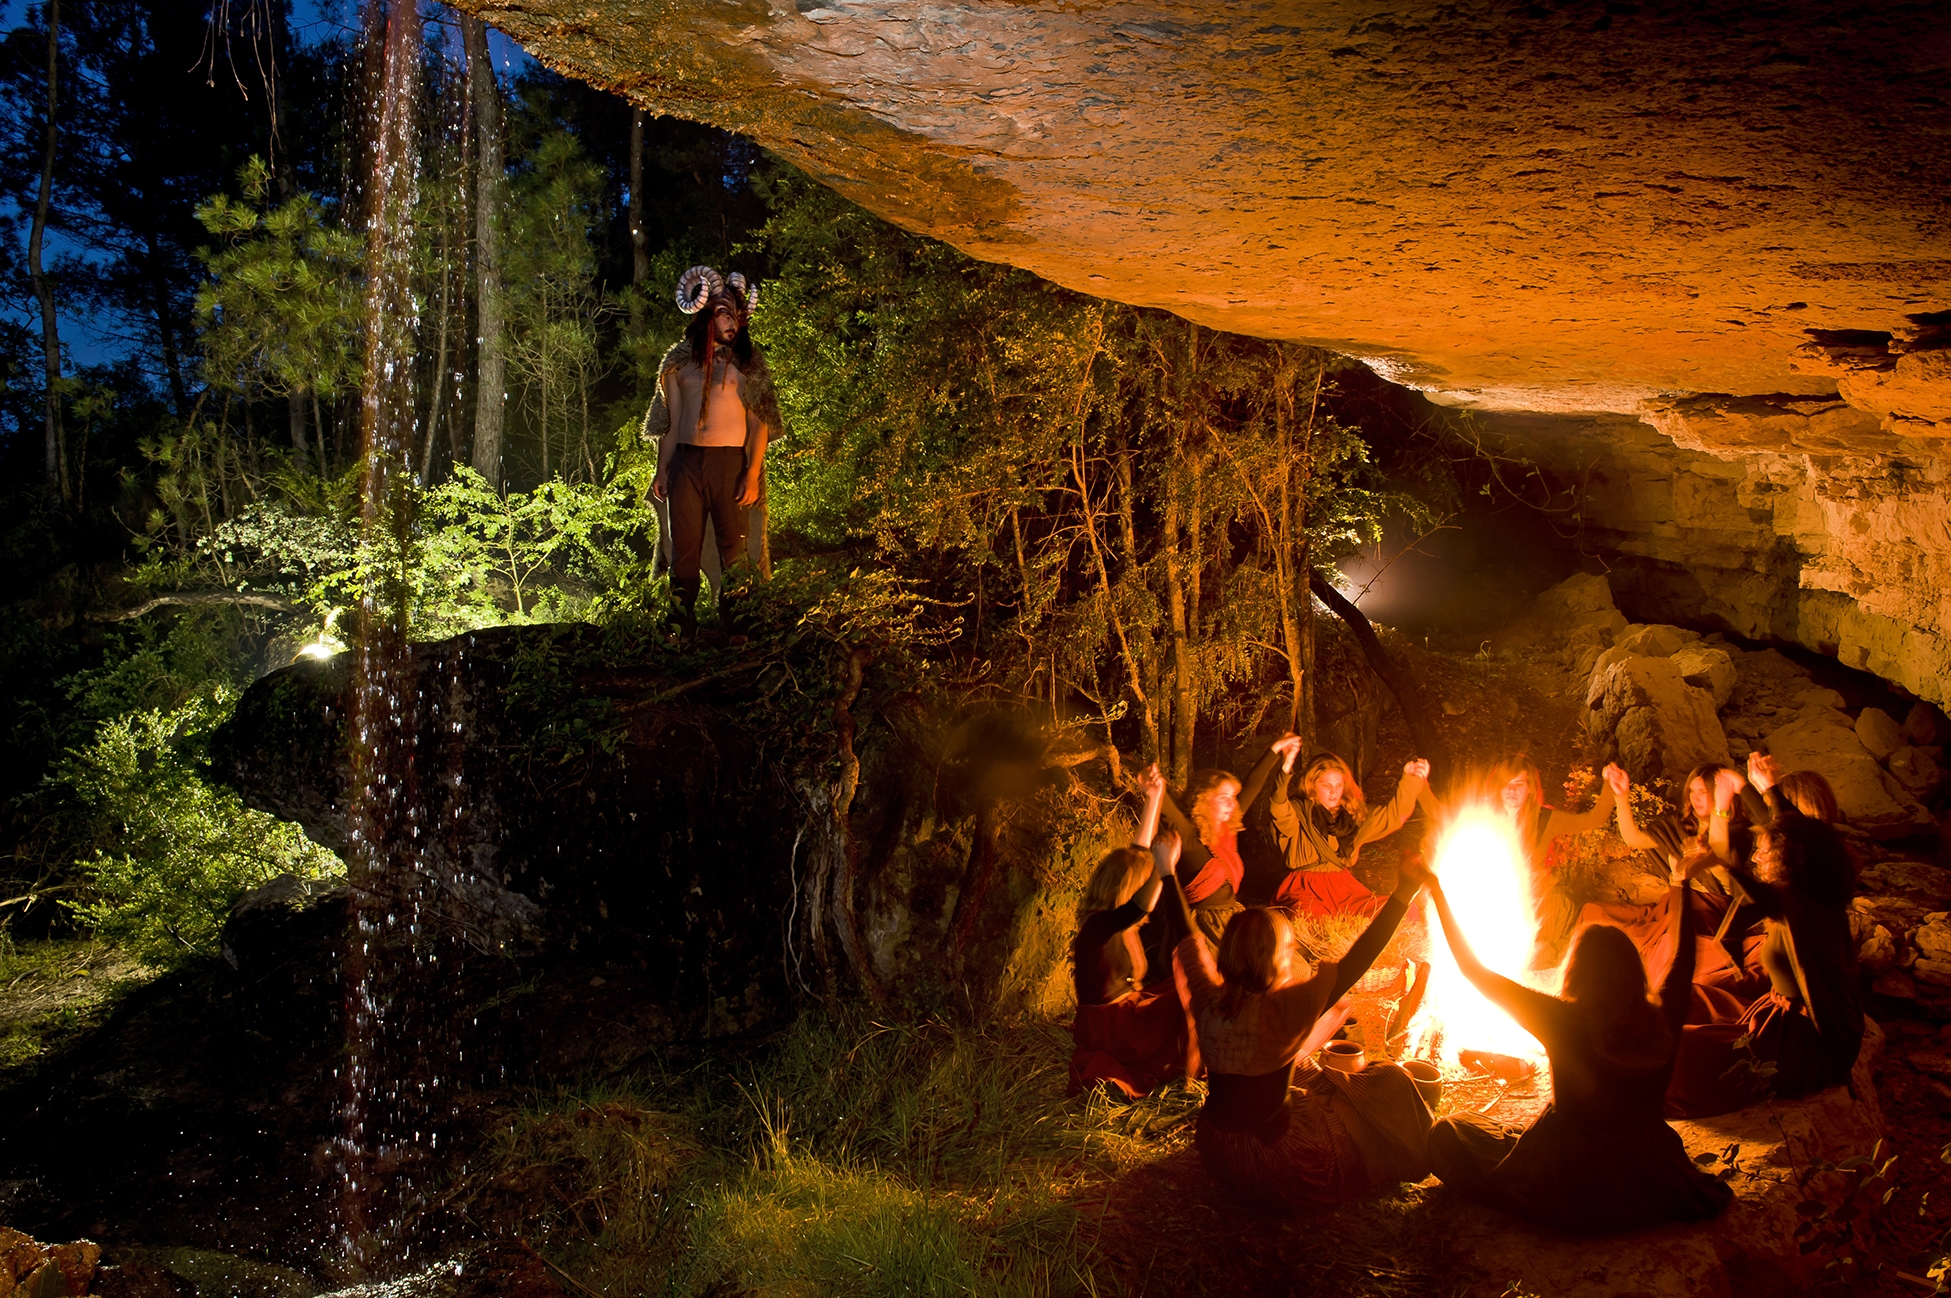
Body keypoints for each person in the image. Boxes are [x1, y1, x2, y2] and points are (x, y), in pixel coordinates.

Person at [1422, 852, 1734, 1232]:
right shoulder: (1663, 1017)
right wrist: (1680, 883)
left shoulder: (1564, 1021)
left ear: (1576, 972)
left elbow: (1475, 971)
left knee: (1449, 1132)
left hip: (1571, 1173)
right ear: (1633, 971)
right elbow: (1683, 956)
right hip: (1647, 1166)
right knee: (1503, 1134)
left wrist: (1436, 891)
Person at [1171, 860, 1436, 1209]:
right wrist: (1403, 894)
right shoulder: (1281, 1011)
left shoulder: (1208, 999)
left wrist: (1166, 871)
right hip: (1279, 1162)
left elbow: (1184, 935)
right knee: (1391, 1080)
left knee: (1308, 1071)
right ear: (1275, 960)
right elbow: (1357, 963)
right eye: (1288, 950)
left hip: (1219, 1151)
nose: (1292, 955)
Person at [1665, 759, 1864, 1117]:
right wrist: (1768, 790)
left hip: (1800, 1042)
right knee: (1694, 997)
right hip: (1773, 1015)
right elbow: (1798, 833)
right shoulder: (1809, 890)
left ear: (1789, 858)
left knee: (1683, 1049)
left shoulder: (1796, 906)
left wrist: (1684, 880)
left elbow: (1774, 863)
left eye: (1766, 850)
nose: (1756, 856)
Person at [642, 266, 782, 637]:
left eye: (735, 314)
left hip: (729, 464)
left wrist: (751, 473)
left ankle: (738, 621)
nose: (731, 320)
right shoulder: (678, 365)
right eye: (723, 312)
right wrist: (662, 470)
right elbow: (670, 423)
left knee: (733, 546)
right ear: (706, 315)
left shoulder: (747, 364)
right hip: (686, 463)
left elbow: (760, 423)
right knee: (683, 544)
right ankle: (679, 622)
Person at [1574, 762, 1762, 1011]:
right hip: (1670, 904)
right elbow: (1634, 839)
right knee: (1594, 914)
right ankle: (1581, 988)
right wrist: (1621, 797)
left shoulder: (1737, 832)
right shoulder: (1681, 827)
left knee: (1668, 944)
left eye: (1703, 791)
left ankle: (1638, 1003)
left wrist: (1719, 812)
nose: (1696, 798)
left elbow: (1720, 853)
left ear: (1719, 793)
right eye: (1692, 791)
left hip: (1707, 913)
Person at [1069, 765, 1194, 1098]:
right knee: (1187, 1002)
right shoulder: (1098, 926)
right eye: (1140, 884)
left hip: (1129, 1013)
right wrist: (1165, 868)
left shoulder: (1111, 916)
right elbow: (1140, 905)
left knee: (1190, 984)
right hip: (1115, 1029)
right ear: (1126, 890)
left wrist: (1154, 799)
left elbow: (1137, 855)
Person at [1432, 754, 1616, 970]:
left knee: (1557, 910)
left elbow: (1592, 819)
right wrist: (1416, 784)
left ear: (1529, 788)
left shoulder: (1545, 818)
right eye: (1506, 784)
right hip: (1488, 897)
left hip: (1533, 899)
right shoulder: (1481, 812)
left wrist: (1611, 787)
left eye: (1518, 784)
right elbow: (1440, 813)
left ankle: (1541, 952)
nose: (1511, 790)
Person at [1268, 750, 1432, 917]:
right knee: (1308, 917)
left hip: (1344, 890)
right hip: (1304, 890)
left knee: (1401, 912)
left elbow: (1394, 816)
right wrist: (1285, 768)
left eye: (1338, 786)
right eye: (1326, 786)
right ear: (1312, 784)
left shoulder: (1353, 817)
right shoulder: (1298, 813)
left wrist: (1411, 780)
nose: (1334, 792)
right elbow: (1278, 806)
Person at [1159, 740, 1285, 947]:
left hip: (1233, 918)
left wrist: (1275, 749)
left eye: (1233, 797)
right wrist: (1155, 790)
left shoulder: (1227, 832)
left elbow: (1252, 786)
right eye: (1223, 797)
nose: (1231, 803)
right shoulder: (1192, 839)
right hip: (1204, 927)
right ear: (1204, 799)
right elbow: (1169, 815)